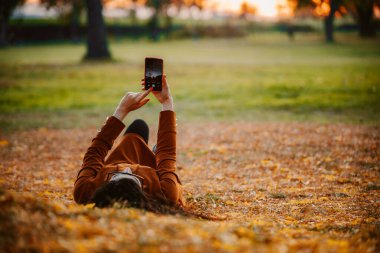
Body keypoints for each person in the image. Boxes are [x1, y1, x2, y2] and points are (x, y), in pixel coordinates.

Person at [73, 76, 185, 211]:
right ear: (142, 193)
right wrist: (167, 102)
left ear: (104, 188)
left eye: (118, 176)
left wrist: (121, 110)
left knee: (139, 126)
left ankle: (152, 154)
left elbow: (94, 153)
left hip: (118, 159)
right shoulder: (165, 194)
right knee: (161, 159)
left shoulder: (85, 191)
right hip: (151, 170)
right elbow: (168, 154)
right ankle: (154, 156)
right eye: (132, 176)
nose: (127, 169)